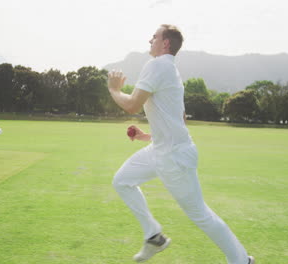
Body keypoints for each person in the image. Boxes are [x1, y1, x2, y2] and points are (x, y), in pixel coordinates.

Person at [107, 25, 255, 264]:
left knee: (200, 215)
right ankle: (153, 235)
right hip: (161, 151)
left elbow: (132, 105)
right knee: (122, 181)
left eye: (154, 36)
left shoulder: (157, 65)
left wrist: (114, 90)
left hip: (174, 157)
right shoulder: (170, 70)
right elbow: (178, 119)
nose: (150, 40)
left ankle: (241, 261)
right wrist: (146, 136)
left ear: (165, 43)